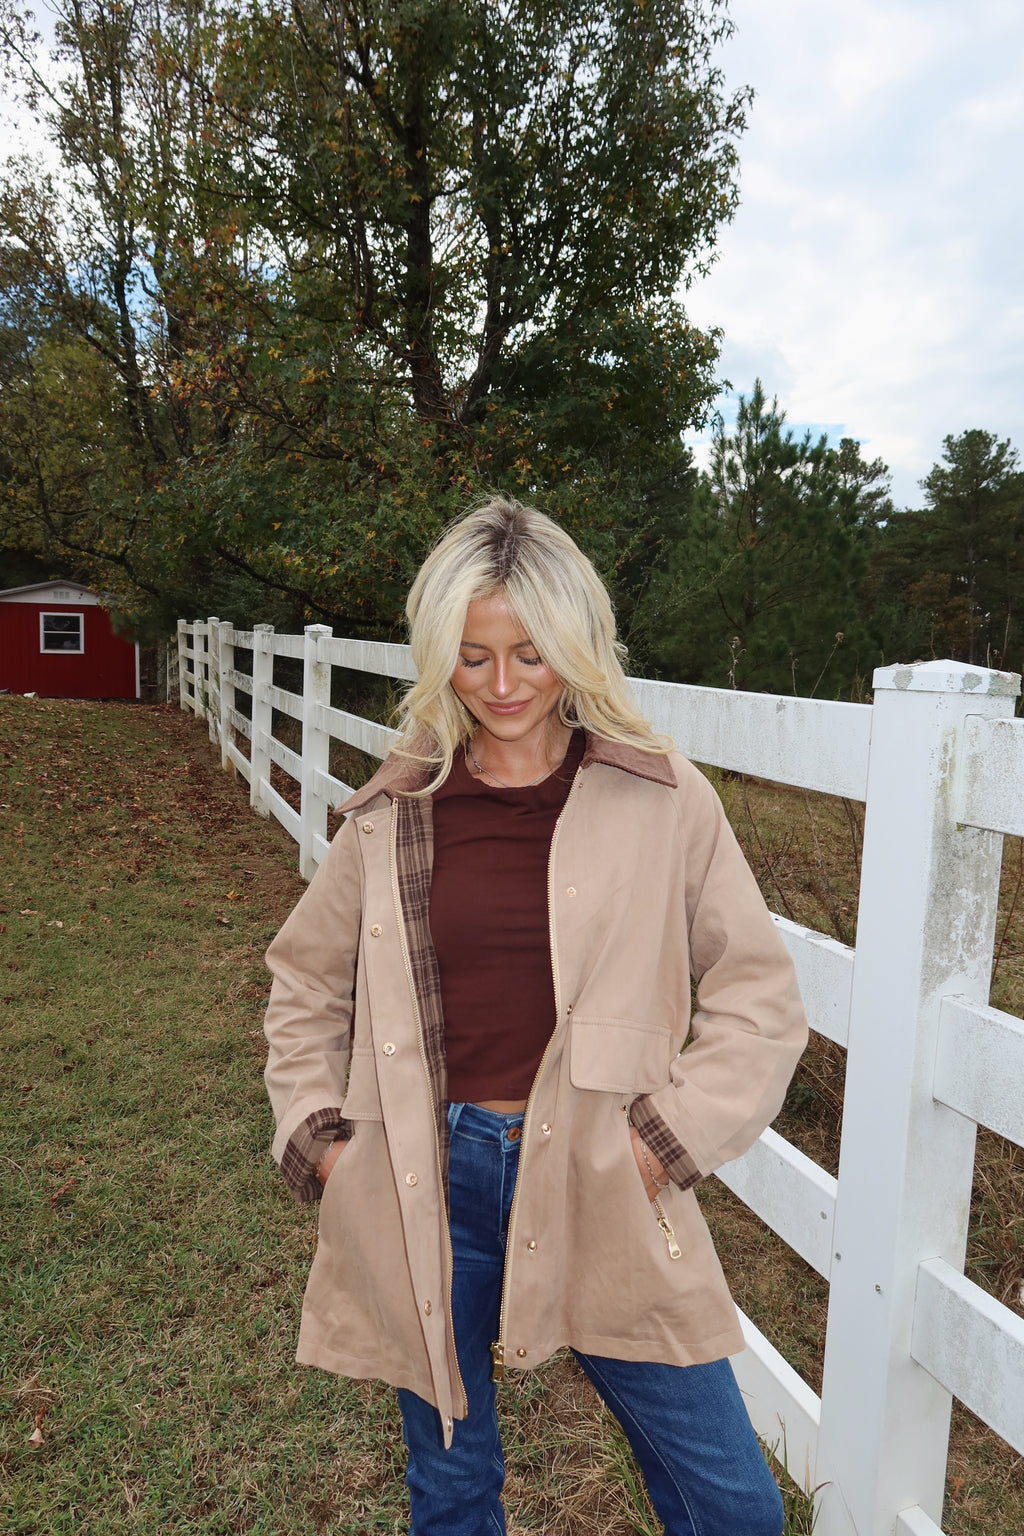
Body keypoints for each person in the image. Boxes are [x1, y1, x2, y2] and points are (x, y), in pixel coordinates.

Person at [262, 498, 808, 1536]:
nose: (503, 687)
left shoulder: (662, 799)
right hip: (425, 1177)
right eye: (471, 657)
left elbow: (758, 995)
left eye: (530, 654)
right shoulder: (398, 810)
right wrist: (320, 1144)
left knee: (731, 1505)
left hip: (602, 1170)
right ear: (437, 656)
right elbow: (304, 981)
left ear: (576, 646)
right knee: (453, 1488)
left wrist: (660, 1147)